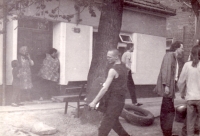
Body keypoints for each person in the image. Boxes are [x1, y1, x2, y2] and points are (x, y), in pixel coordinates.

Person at [89, 49, 131, 136]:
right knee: (114, 123)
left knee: (104, 128)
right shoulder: (124, 67)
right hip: (119, 100)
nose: (107, 58)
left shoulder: (113, 70)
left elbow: (105, 89)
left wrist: (94, 102)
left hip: (114, 101)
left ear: (116, 57)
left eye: (109, 57)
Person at [153, 41, 184, 136]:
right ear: (177, 48)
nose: (183, 50)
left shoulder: (174, 57)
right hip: (168, 86)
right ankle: (167, 132)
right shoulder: (169, 56)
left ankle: (167, 131)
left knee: (167, 109)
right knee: (168, 110)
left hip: (171, 86)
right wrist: (166, 85)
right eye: (182, 48)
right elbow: (165, 70)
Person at [178, 45, 200, 136]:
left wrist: (182, 93)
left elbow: (181, 81)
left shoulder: (187, 65)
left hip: (190, 98)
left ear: (191, 53)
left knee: (189, 123)